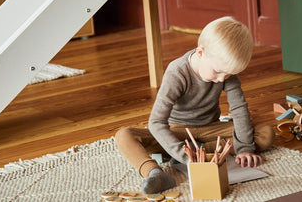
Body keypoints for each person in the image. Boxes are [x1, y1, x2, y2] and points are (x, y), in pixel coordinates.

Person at [115, 16, 275, 194]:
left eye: (228, 74)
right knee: (124, 135)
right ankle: (154, 173)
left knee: (265, 132)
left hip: (211, 128)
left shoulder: (225, 70)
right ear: (200, 52)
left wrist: (245, 148)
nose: (222, 79)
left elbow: (238, 109)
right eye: (218, 71)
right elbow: (156, 122)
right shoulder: (177, 72)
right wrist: (186, 158)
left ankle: (202, 151)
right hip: (178, 131)